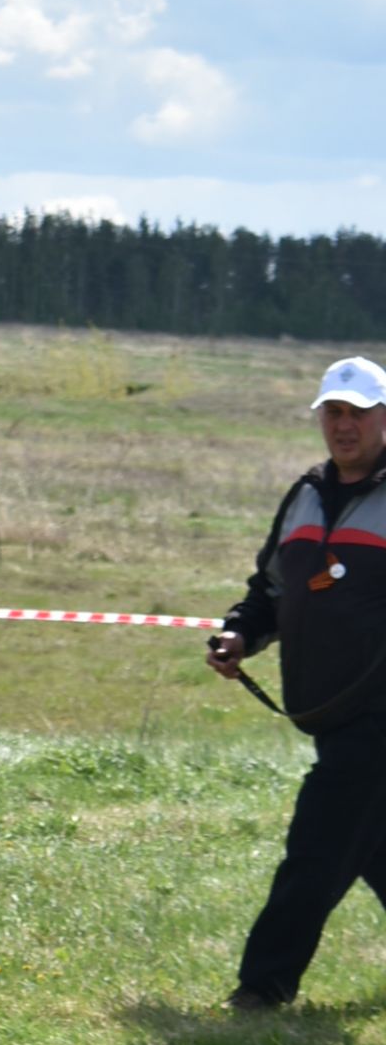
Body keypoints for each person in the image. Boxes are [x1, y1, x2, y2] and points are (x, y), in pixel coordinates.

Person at [209, 355, 386, 1011]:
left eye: (358, 413)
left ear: (384, 418)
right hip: (332, 715)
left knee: (316, 849)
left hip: (378, 719)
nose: (344, 426)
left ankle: (263, 987)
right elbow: (275, 588)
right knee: (368, 845)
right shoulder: (307, 493)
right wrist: (240, 634)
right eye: (333, 412)